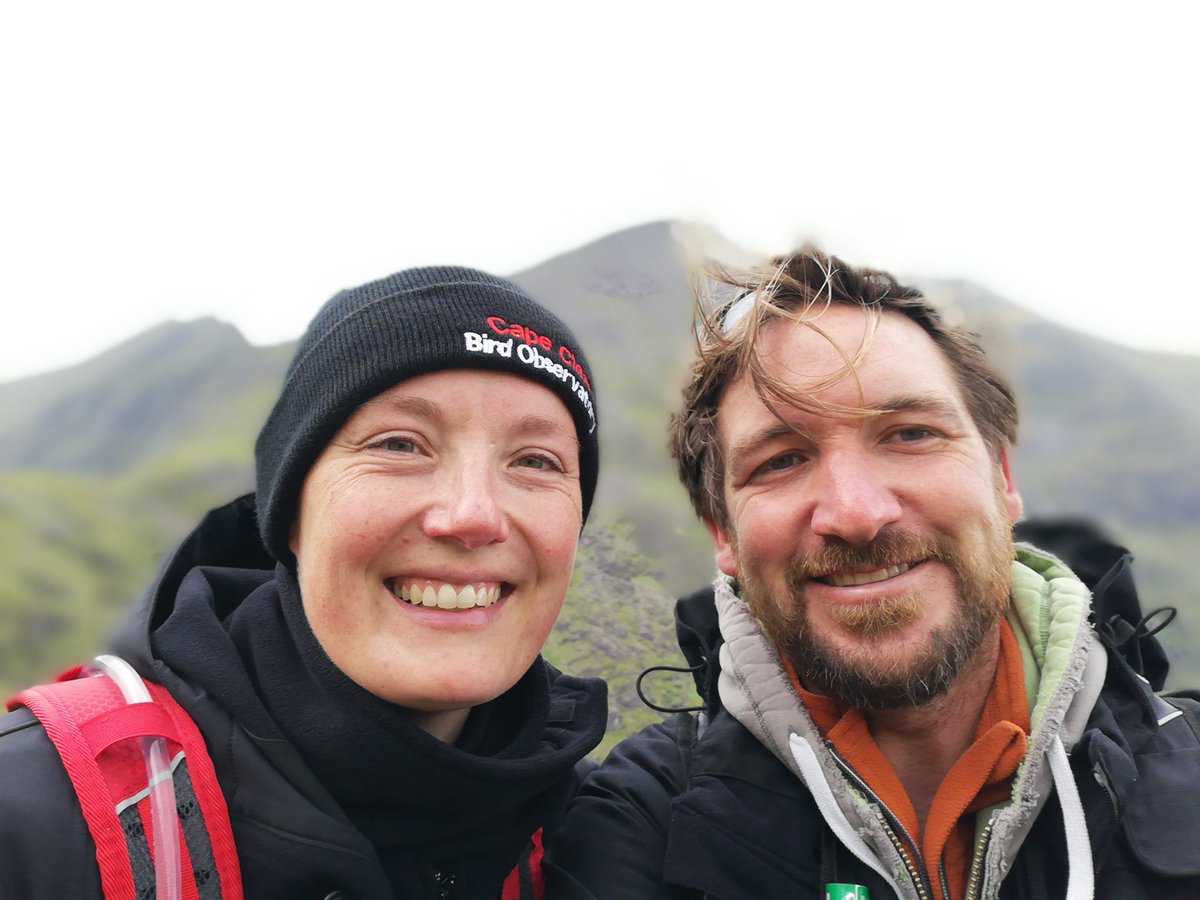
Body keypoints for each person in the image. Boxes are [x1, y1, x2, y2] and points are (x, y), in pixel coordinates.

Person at [544, 250, 1200, 899]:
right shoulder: (643, 822)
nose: (856, 514)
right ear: (724, 534)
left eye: (909, 434)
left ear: (1002, 479)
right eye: (779, 461)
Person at [0, 266, 608, 899]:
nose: (473, 516)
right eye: (400, 445)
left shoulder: (601, 835)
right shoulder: (29, 815)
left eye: (536, 461)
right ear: (290, 514)